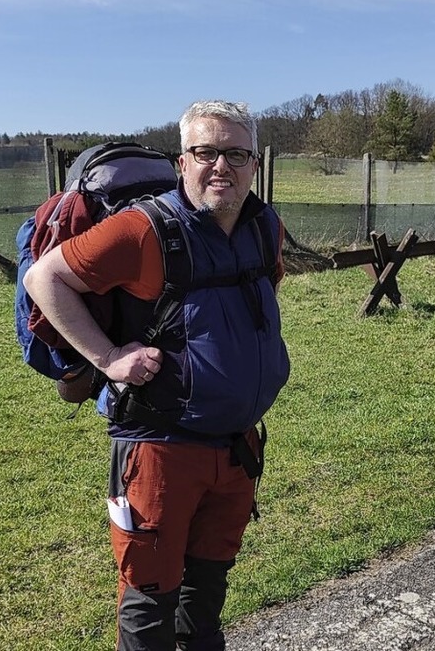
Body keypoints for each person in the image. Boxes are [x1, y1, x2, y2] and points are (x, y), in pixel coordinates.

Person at [23, 100, 290, 651]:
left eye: (236, 153)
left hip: (236, 448)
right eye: (206, 152)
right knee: (150, 602)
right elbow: (46, 279)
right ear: (181, 162)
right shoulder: (144, 230)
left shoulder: (264, 228)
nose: (222, 166)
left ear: (255, 164)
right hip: (161, 449)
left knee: (206, 599)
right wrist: (107, 358)